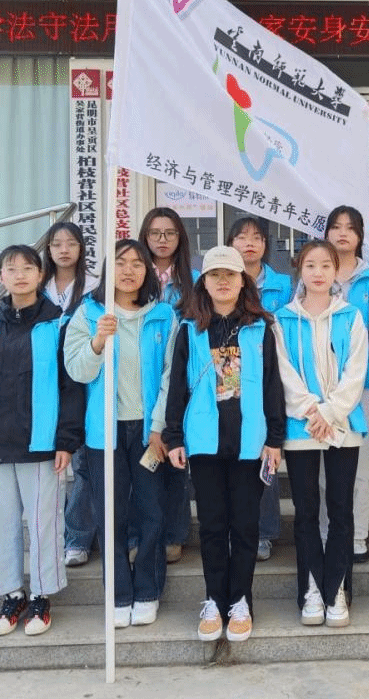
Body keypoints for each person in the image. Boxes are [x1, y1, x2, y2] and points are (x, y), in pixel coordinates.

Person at [0, 245, 84, 637]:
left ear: (41, 275)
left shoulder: (58, 324)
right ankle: (12, 595)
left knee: (44, 523)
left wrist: (66, 440)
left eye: (27, 268)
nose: (20, 275)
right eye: (11, 268)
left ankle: (41, 596)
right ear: (0, 277)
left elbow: (70, 386)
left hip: (41, 443)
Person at [163, 246, 286, 643]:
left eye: (230, 275)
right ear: (204, 283)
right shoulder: (189, 329)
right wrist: (173, 436)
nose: (222, 281)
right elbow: (177, 385)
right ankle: (215, 601)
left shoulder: (260, 328)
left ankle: (241, 602)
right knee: (213, 526)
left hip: (250, 442)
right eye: (214, 275)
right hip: (204, 442)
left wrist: (275, 438)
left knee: (246, 526)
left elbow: (272, 385)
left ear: (242, 281)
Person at [64, 239, 176, 629]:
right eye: (121, 263)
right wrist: (97, 341)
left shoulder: (163, 315)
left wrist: (159, 427)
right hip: (104, 432)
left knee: (151, 513)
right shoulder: (89, 313)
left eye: (137, 264)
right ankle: (119, 593)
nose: (129, 271)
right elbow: (77, 371)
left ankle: (147, 590)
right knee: (111, 514)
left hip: (148, 432)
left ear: (148, 271)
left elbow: (171, 376)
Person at [275, 240, 368, 628]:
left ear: (335, 271)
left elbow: (356, 371)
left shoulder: (351, 316)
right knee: (306, 512)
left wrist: (329, 412)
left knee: (341, 510)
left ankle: (338, 589)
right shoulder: (282, 319)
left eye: (325, 265)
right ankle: (311, 588)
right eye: (310, 265)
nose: (318, 272)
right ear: (300, 269)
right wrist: (311, 411)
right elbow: (283, 371)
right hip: (301, 428)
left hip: (342, 426)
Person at [325, 205, 369, 563]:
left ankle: (357, 536)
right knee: (324, 467)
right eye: (336, 227)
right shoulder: (315, 273)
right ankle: (327, 533)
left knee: (359, 466)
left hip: (361, 386)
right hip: (321, 388)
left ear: (360, 235)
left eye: (350, 228)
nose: (342, 233)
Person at [227, 215, 293, 562]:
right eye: (241, 237)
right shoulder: (220, 281)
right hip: (229, 378)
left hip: (272, 377)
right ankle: (235, 529)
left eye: (256, 237)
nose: (249, 243)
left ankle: (264, 531)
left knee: (266, 450)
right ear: (230, 244)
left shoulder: (283, 284)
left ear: (266, 245)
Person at [138, 207, 197, 564]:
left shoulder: (194, 280)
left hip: (182, 378)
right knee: (142, 465)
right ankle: (143, 534)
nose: (162, 240)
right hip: (141, 377)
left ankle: (175, 534)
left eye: (170, 233)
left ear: (180, 238)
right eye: (155, 233)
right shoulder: (133, 273)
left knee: (175, 457)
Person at [41, 221, 100, 569]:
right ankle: (57, 536)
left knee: (83, 465)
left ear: (81, 248)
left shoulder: (94, 288)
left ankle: (77, 538)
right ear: (48, 250)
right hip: (45, 383)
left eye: (71, 243)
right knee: (48, 467)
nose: (64, 250)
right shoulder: (38, 286)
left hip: (83, 382)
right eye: (56, 244)